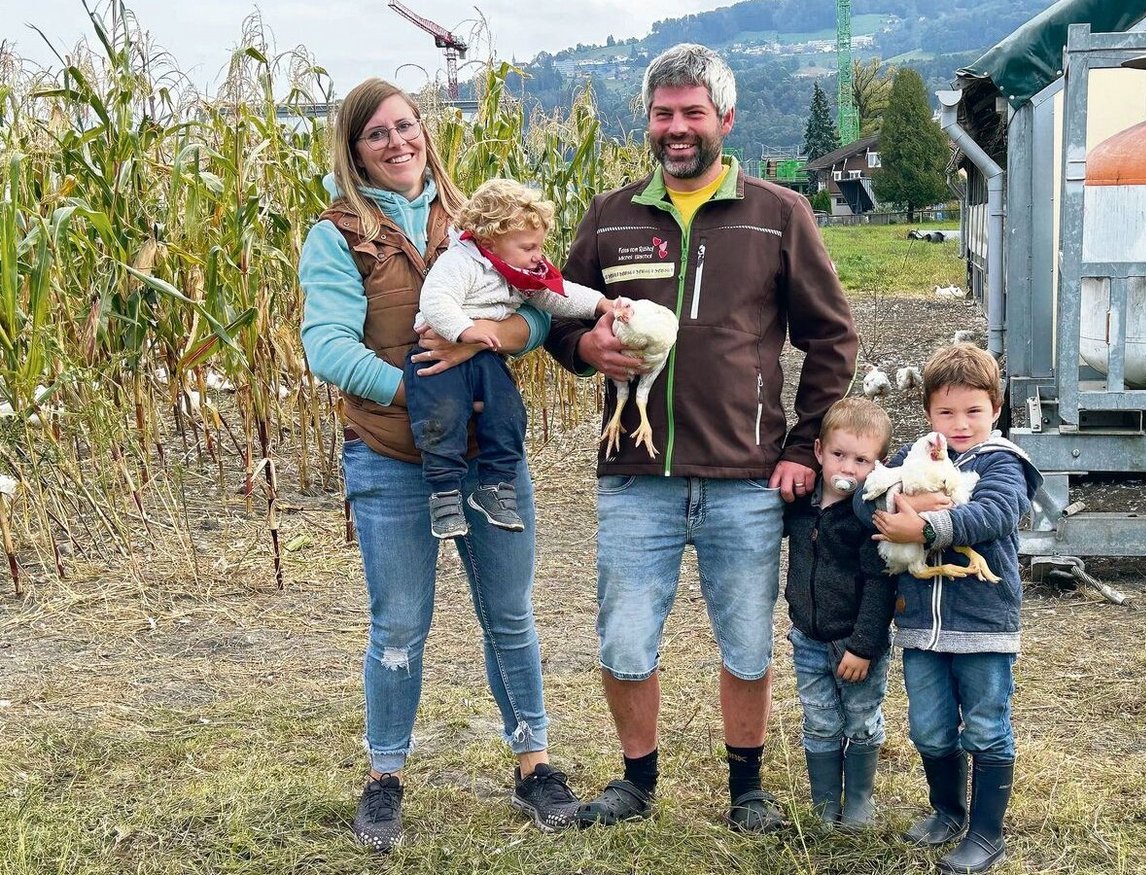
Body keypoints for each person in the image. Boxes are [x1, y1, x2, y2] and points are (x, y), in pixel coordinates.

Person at [545, 43, 859, 831]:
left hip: (746, 476)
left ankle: (746, 787)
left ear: (725, 117)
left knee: (747, 643)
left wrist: (801, 446)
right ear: (647, 122)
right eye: (663, 114)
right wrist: (583, 348)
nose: (676, 128)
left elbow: (833, 338)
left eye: (691, 113)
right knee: (623, 640)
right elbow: (553, 311)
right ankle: (635, 781)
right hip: (634, 471)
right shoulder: (611, 217)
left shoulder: (778, 213)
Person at [298, 77, 579, 851]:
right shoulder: (337, 235)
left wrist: (477, 340)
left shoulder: (475, 220)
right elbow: (326, 345)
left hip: (489, 455)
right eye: (377, 134)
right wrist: (423, 401)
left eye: (406, 126)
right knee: (399, 625)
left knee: (511, 615)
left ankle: (534, 763)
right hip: (390, 458)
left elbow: (532, 312)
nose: (398, 143)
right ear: (354, 150)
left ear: (426, 131)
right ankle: (385, 775)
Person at [857, 343, 1043, 874]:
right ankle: (946, 811)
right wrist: (899, 505)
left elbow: (996, 513)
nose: (960, 424)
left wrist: (928, 527)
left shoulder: (1005, 463)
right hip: (919, 625)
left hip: (983, 625)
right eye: (946, 412)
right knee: (930, 728)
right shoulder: (914, 459)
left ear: (997, 408)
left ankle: (986, 833)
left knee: (985, 726)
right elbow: (864, 498)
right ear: (928, 413)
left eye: (973, 411)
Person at [407, 178, 616, 537]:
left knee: (509, 413)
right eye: (529, 246)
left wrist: (600, 304)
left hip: (486, 359)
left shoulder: (516, 272)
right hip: (436, 356)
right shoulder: (460, 262)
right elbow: (435, 300)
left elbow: (557, 297)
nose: (539, 255)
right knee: (442, 418)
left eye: (540, 246)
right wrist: (465, 330)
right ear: (491, 241)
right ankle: (444, 495)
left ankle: (495, 488)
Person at [783, 397, 896, 829]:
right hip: (808, 639)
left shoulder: (869, 517)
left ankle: (859, 801)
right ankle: (825, 803)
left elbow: (880, 584)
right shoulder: (800, 505)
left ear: (878, 465)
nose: (847, 469)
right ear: (818, 452)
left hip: (856, 644)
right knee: (819, 718)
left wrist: (863, 645)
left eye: (861, 460)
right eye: (838, 455)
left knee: (862, 718)